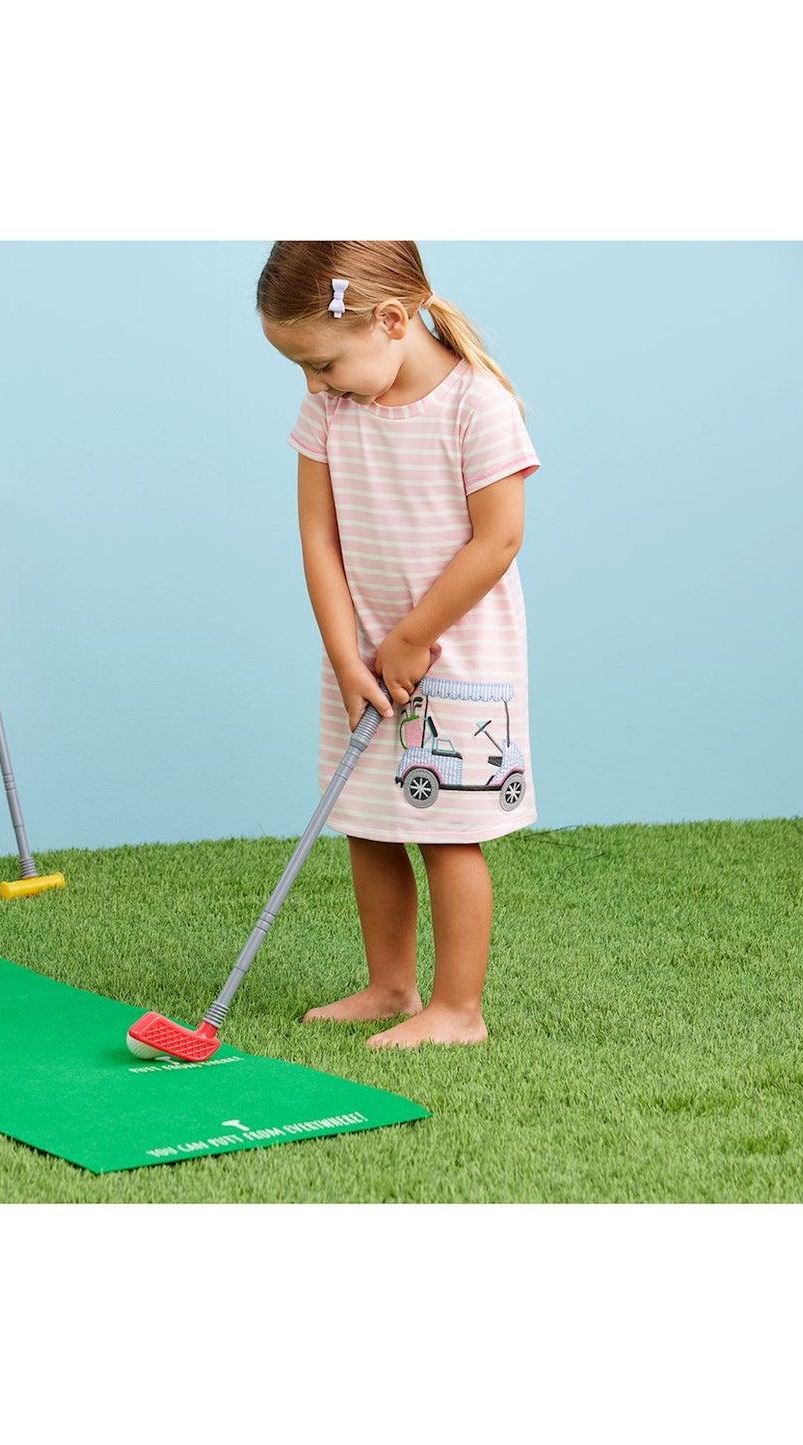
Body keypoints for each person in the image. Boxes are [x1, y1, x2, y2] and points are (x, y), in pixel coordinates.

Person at [256, 241, 541, 1047]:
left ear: (388, 320)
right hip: (363, 651)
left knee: (446, 829)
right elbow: (318, 536)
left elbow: (498, 539)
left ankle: (458, 1009)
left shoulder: (474, 404)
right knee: (370, 816)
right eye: (300, 368)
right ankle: (389, 986)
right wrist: (347, 655)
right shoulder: (331, 410)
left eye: (321, 361)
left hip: (452, 655)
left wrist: (412, 637)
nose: (313, 383)